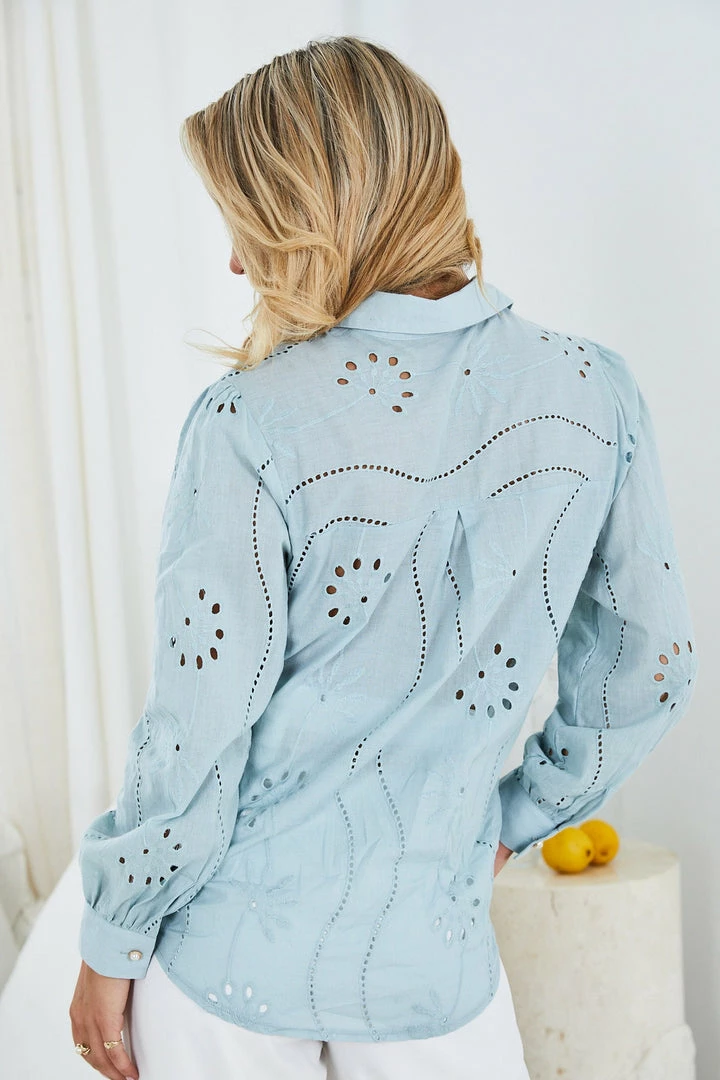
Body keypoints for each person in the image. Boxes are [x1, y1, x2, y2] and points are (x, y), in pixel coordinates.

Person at [69, 33, 698, 1080]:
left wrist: (113, 936)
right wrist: (512, 824)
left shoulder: (244, 421)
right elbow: (650, 672)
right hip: (435, 963)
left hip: (223, 968)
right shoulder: (595, 394)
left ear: (316, 211)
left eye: (247, 223)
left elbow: (194, 735)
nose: (236, 263)